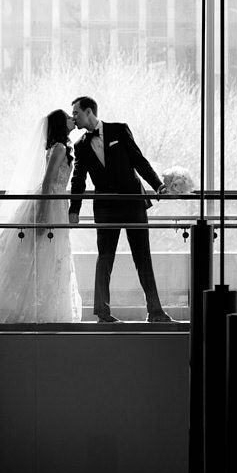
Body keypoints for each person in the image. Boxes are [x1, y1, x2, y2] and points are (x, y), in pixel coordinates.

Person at [0, 109, 82, 323]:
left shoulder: (62, 147)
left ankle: (42, 307)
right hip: (50, 203)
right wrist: (43, 215)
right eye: (68, 117)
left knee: (49, 256)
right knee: (40, 254)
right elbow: (48, 182)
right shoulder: (58, 148)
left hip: (57, 203)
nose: (71, 119)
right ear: (60, 124)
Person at [67, 96, 172, 323]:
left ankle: (155, 312)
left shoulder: (120, 130)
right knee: (104, 258)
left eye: (76, 113)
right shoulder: (80, 145)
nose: (73, 117)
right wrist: (73, 210)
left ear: (88, 112)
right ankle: (102, 314)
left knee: (143, 257)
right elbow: (78, 180)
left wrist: (158, 186)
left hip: (133, 203)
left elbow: (138, 160)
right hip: (106, 208)